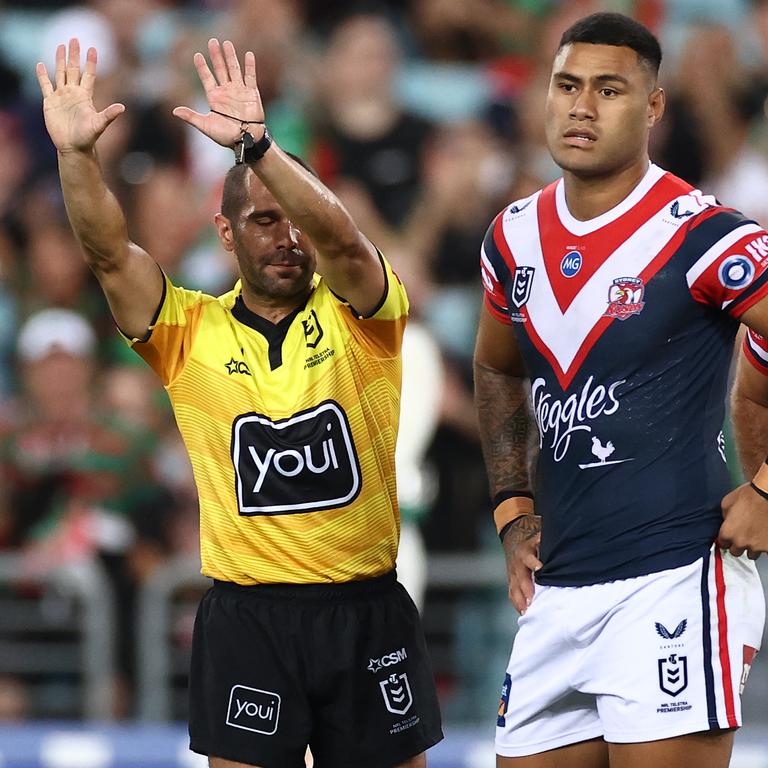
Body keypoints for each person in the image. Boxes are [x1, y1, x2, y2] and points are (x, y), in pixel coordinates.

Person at [36, 37, 442, 768]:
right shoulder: (186, 330)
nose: (288, 237)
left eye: (294, 218)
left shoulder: (363, 312)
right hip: (250, 616)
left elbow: (346, 242)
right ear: (224, 234)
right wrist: (75, 158)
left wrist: (260, 151)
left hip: (367, 608)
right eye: (262, 221)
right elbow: (107, 255)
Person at [474, 12, 768, 768]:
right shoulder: (512, 237)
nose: (582, 107)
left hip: (673, 578)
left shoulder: (706, 234)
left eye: (609, 89)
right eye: (567, 85)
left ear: (654, 106)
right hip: (560, 591)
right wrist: (512, 510)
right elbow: (498, 367)